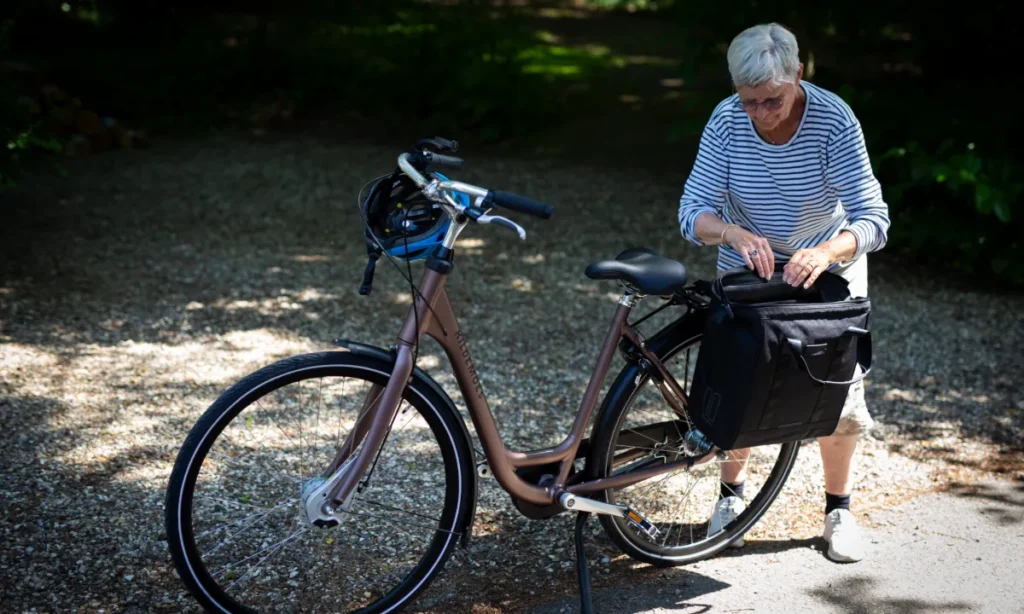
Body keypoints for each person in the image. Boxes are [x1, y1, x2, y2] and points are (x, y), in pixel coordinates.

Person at [677, 22, 891, 563]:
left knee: (837, 394)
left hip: (826, 267)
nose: (759, 114)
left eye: (770, 100)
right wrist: (730, 232)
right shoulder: (727, 120)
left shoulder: (833, 121)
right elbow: (691, 213)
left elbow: (874, 220)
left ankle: (838, 509)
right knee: (739, 384)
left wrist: (826, 252)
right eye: (748, 101)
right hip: (748, 265)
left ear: (798, 74)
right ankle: (731, 500)